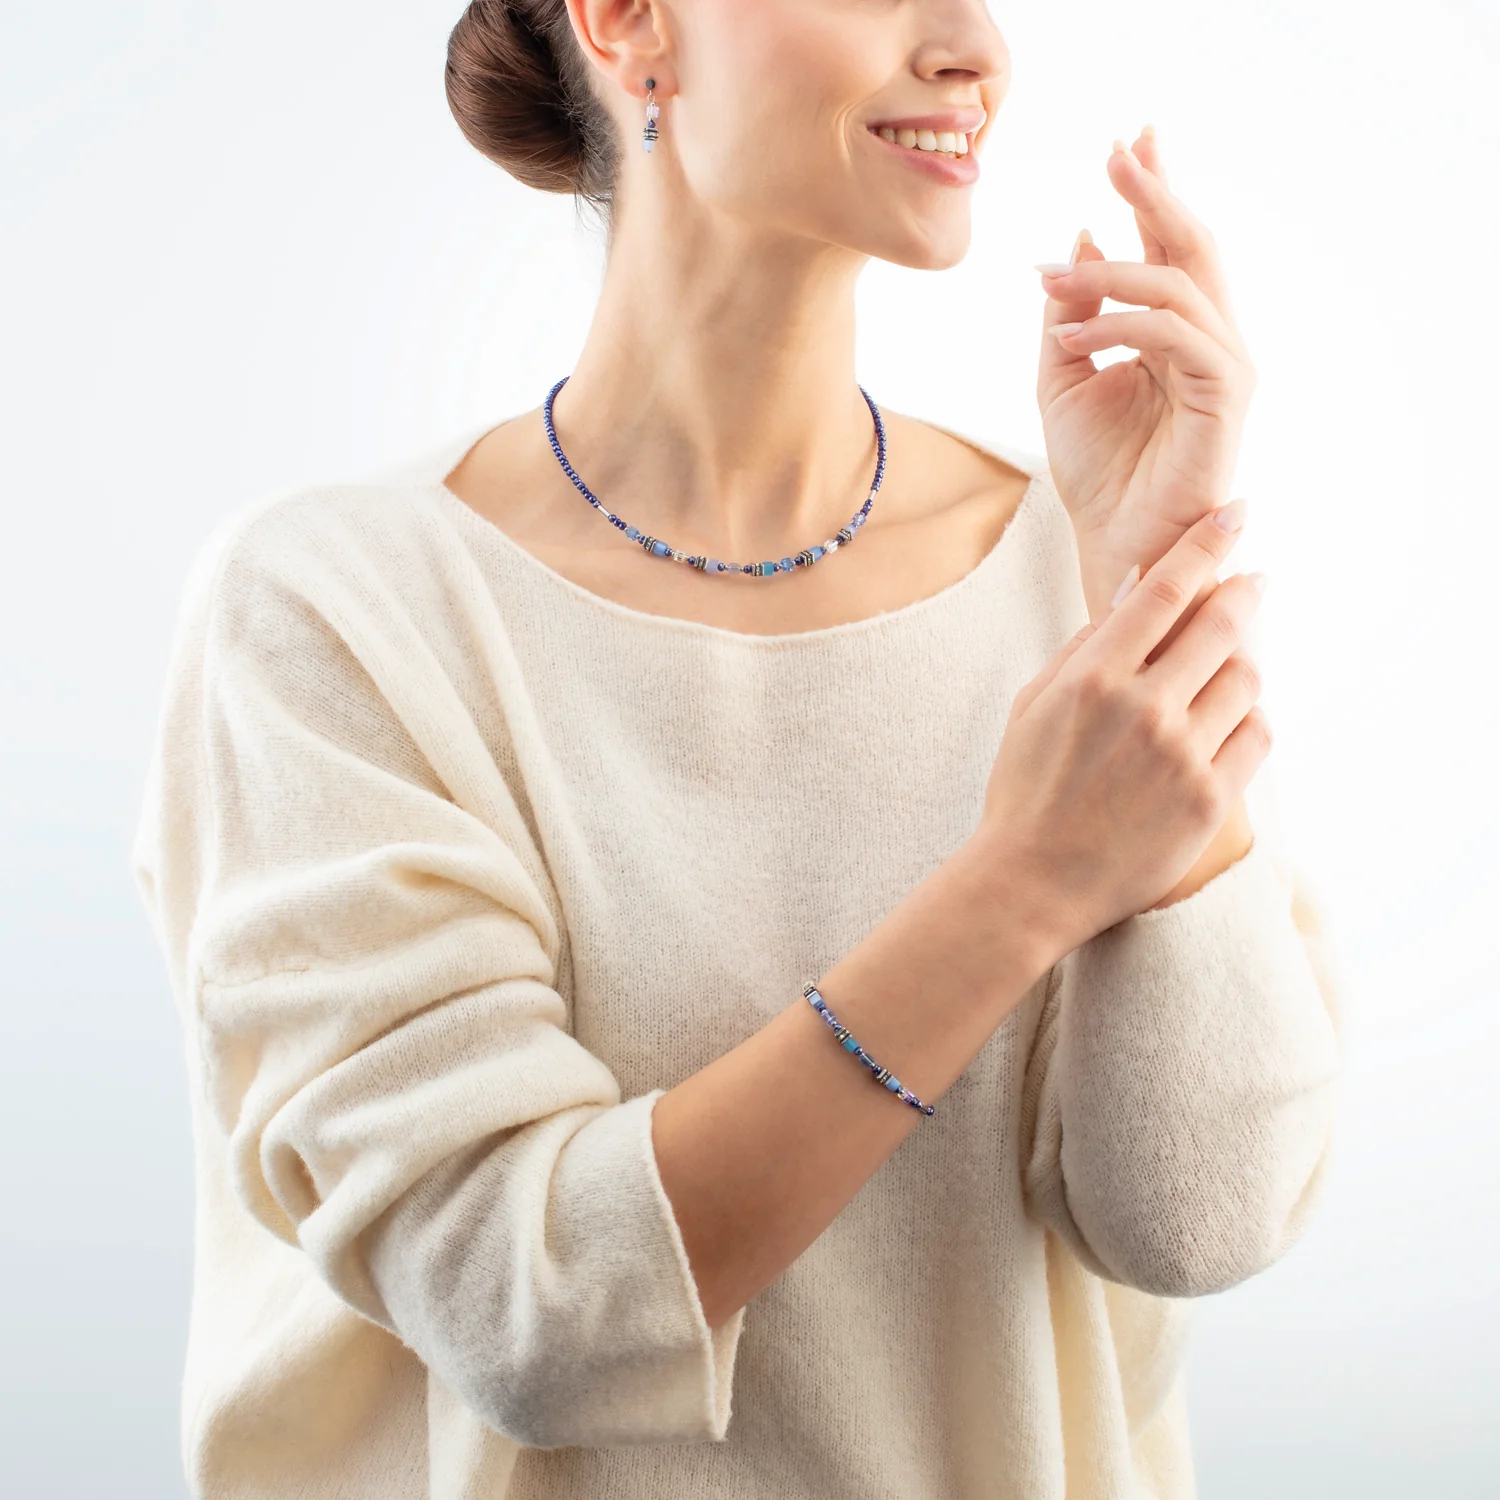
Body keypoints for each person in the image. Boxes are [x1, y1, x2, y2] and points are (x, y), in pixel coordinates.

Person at [131, 2, 1344, 1496]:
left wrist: (1157, 595)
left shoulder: (1074, 566)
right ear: (630, 23)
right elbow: (532, 1316)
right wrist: (1021, 885)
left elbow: (1202, 1220)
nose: (975, 46)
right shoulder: (339, 613)